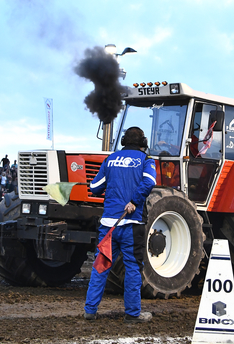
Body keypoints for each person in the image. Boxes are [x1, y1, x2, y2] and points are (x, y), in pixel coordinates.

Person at [84, 127, 156, 324]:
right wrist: (134, 200)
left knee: (101, 264)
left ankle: (90, 310)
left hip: (109, 225)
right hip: (132, 225)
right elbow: (149, 182)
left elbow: (95, 188)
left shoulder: (110, 159)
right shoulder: (147, 161)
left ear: (123, 140)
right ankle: (132, 314)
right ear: (143, 142)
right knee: (133, 267)